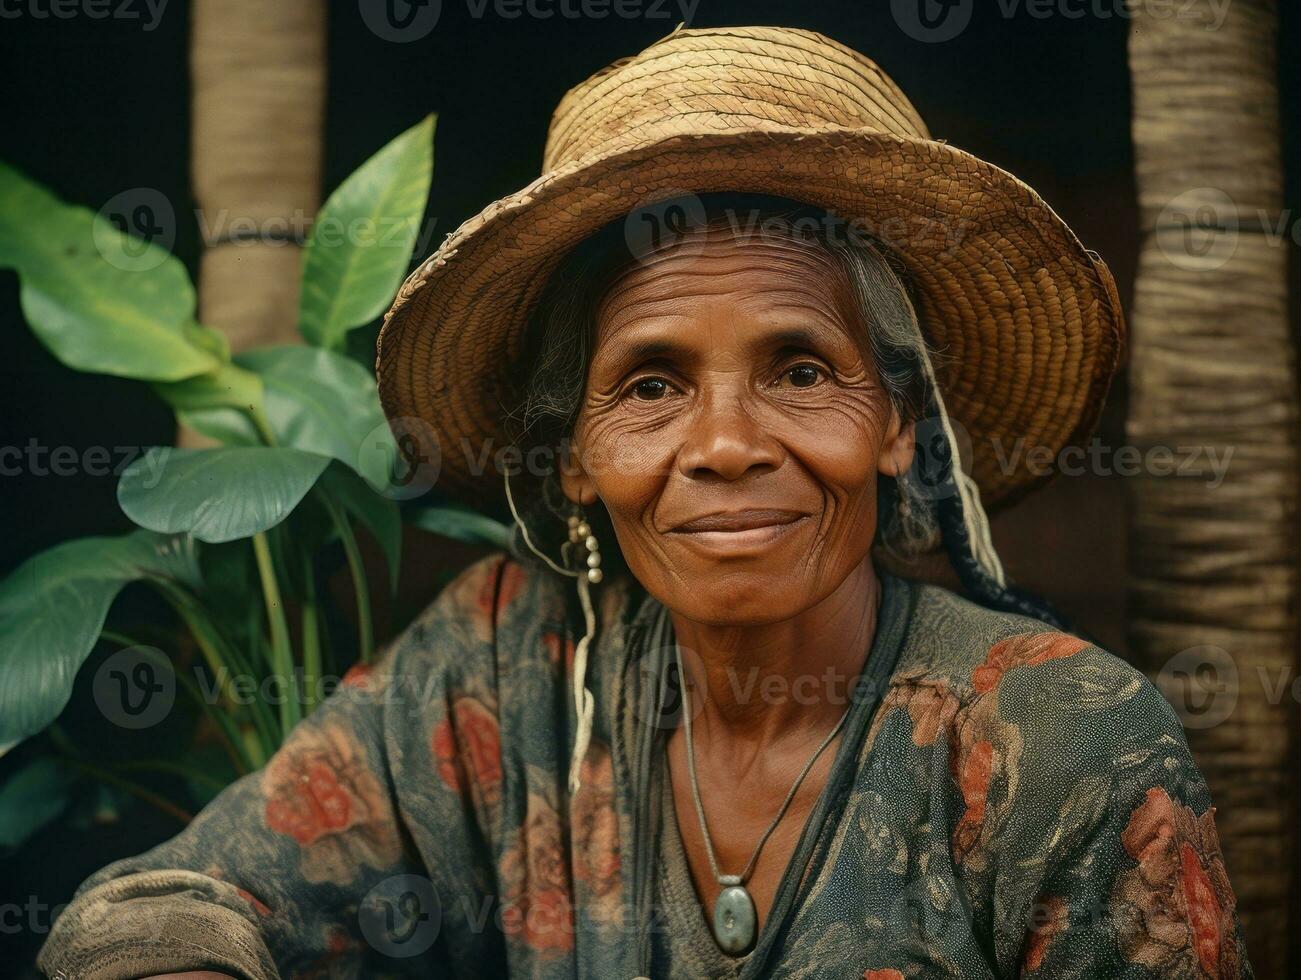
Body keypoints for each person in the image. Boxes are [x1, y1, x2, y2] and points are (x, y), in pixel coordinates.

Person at [39, 26, 1251, 979]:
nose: (724, 445)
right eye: (651, 382)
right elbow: (169, 903)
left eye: (798, 368)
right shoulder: (509, 659)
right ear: (572, 452)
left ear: (896, 422)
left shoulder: (1062, 740)